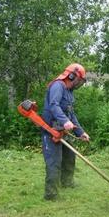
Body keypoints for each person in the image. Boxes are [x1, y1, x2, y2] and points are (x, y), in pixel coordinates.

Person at [41, 63, 90, 201]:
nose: (79, 83)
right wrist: (65, 121)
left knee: (70, 157)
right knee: (54, 162)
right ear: (71, 75)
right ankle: (51, 194)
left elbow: (71, 114)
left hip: (63, 130)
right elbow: (53, 105)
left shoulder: (69, 92)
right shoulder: (58, 86)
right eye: (79, 80)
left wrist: (81, 132)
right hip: (51, 130)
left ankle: (67, 182)